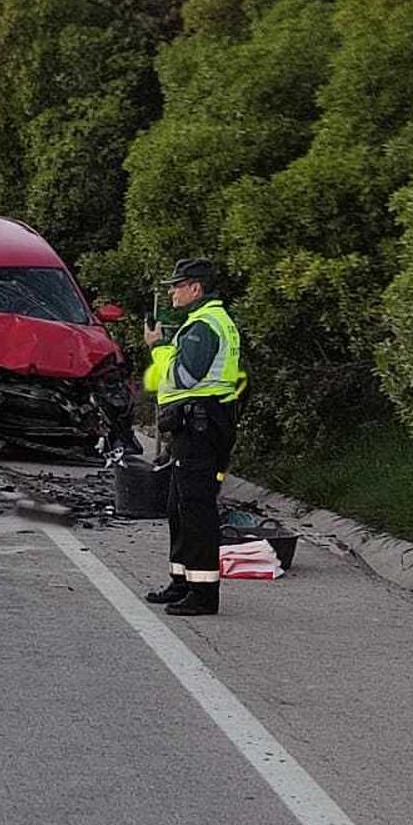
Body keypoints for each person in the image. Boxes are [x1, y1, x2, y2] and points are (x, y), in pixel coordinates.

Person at [142, 257, 245, 617]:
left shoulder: (204, 325)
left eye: (178, 285)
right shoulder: (205, 323)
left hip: (200, 426)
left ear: (195, 288)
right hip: (198, 424)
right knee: (178, 505)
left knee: (196, 509)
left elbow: (186, 377)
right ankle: (182, 582)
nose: (172, 291)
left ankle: (202, 594)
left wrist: (157, 349)